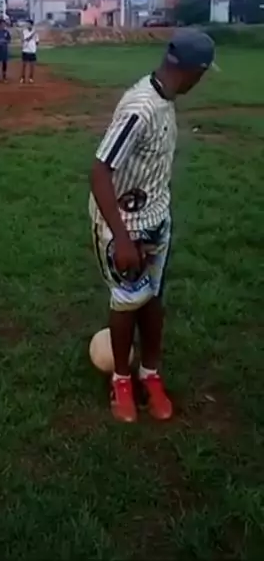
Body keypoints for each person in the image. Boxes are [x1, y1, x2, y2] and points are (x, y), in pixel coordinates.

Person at [89, 28, 215, 423]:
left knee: (153, 299)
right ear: (193, 71)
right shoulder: (140, 107)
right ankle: (121, 381)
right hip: (123, 227)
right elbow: (99, 172)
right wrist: (122, 238)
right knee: (127, 301)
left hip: (157, 219)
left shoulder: (165, 99)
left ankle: (150, 374)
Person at [20, 20, 39, 84]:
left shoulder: (35, 33)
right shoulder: (24, 31)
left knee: (32, 65)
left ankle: (31, 78)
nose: (28, 25)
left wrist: (34, 46)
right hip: (25, 50)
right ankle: (23, 78)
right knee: (24, 65)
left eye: (29, 24)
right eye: (27, 24)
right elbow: (26, 39)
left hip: (32, 50)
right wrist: (33, 34)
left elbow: (37, 41)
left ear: (31, 25)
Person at [0, 18, 12, 82]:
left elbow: (9, 40)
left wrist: (4, 41)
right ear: (0, 24)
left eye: (4, 24)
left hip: (4, 49)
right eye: (2, 24)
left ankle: (4, 77)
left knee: (4, 63)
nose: (3, 25)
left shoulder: (6, 32)